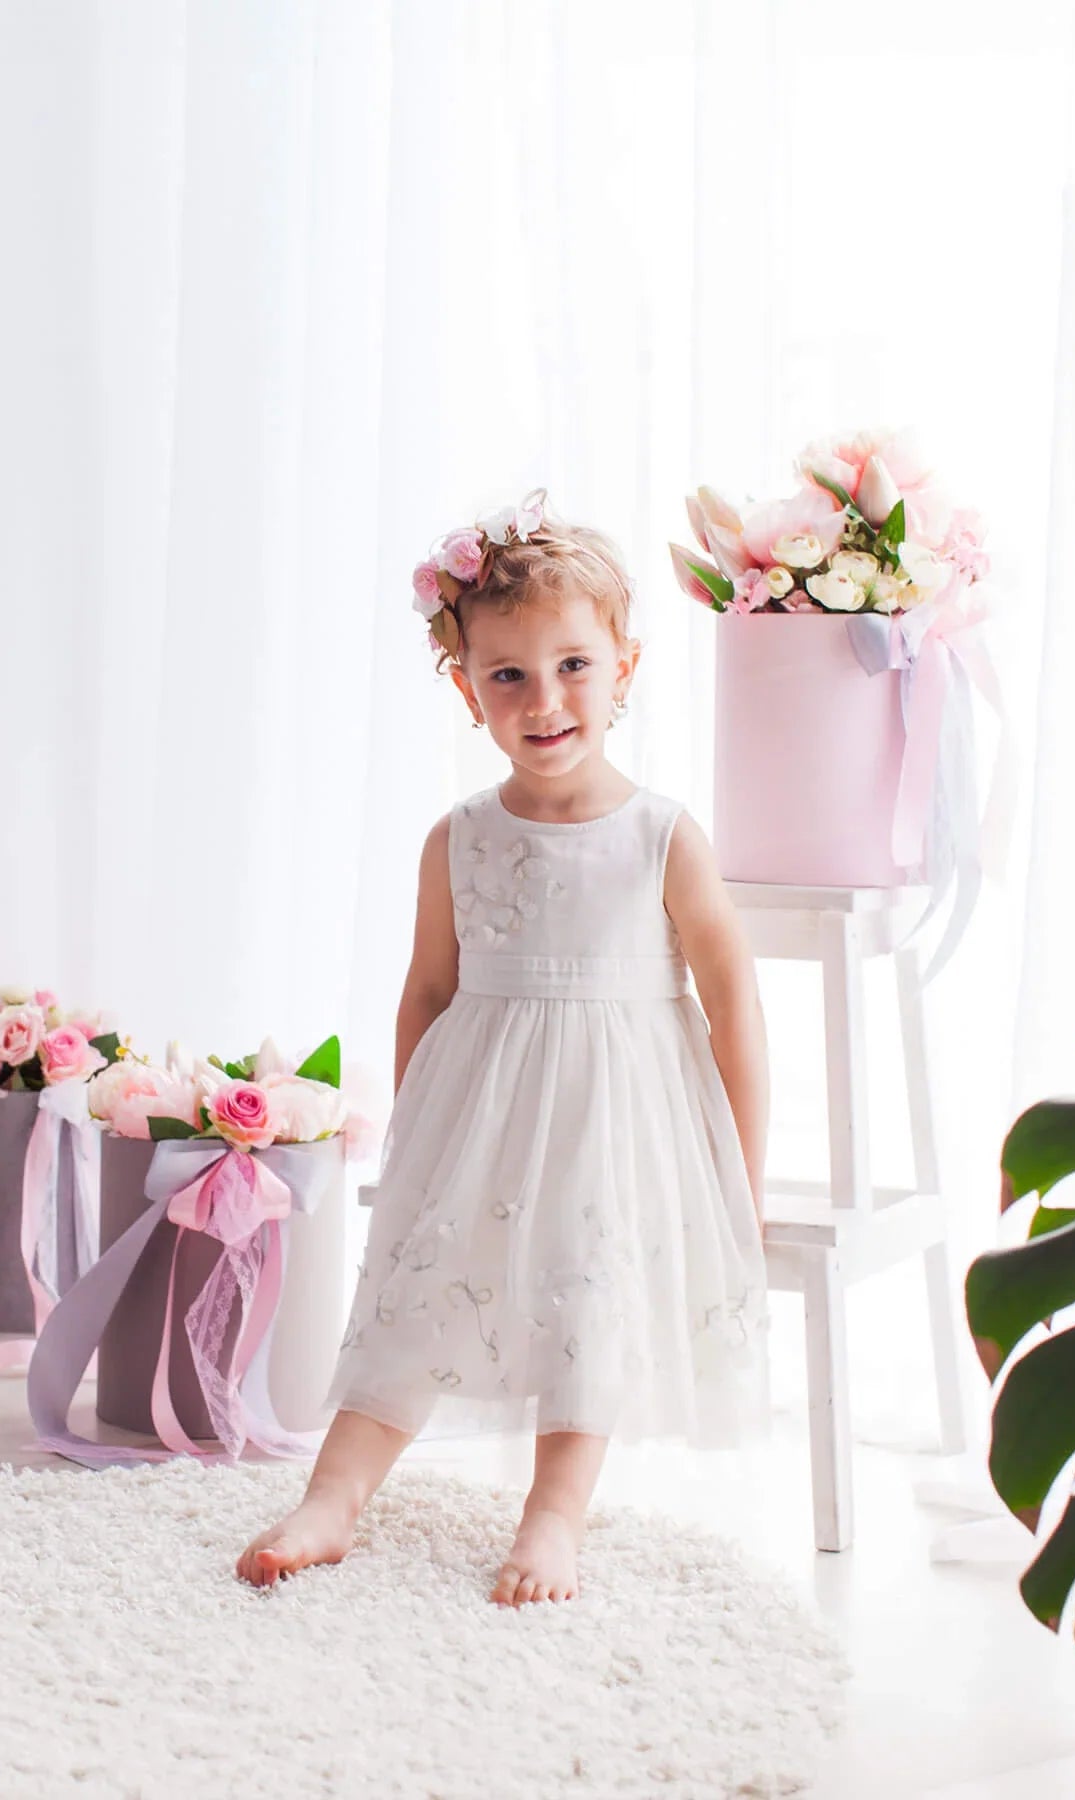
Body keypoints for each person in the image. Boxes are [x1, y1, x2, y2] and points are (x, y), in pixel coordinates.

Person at [237, 488, 771, 1605]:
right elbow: (428, 989)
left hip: (614, 1125)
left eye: (574, 665)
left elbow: (731, 999)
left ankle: (555, 1516)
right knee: (417, 1296)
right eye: (509, 675)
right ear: (466, 684)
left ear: (626, 663)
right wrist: (419, 1134)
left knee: (588, 1302)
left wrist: (738, 1171)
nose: (544, 700)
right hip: (477, 1118)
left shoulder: (663, 836)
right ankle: (333, 1497)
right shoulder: (459, 837)